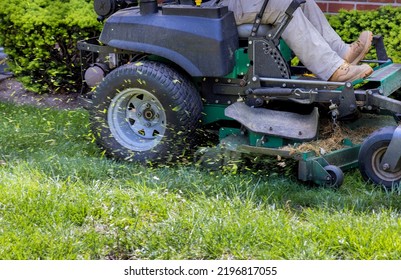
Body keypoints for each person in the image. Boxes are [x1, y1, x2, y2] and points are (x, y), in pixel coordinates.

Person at [215, 0, 373, 82]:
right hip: (213, 5)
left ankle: (342, 53)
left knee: (305, 2)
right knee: (285, 6)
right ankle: (332, 70)